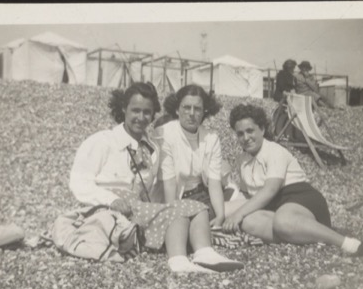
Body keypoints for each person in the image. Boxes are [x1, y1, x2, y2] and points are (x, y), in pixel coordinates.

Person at [69, 82, 243, 273]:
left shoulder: (150, 147)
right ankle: (179, 260)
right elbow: (79, 183)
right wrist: (112, 200)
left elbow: (148, 190)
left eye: (147, 112)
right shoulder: (102, 141)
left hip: (133, 208)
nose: (141, 118)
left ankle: (202, 254)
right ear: (123, 109)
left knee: (193, 209)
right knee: (182, 208)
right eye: (135, 111)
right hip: (105, 207)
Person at [222, 104, 363, 256]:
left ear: (262, 129)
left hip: (300, 199)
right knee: (248, 222)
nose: (246, 138)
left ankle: (347, 243)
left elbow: (270, 190)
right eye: (240, 134)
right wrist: (224, 213)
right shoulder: (242, 160)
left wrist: (237, 214)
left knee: (281, 221)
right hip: (276, 207)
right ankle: (302, 235)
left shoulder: (274, 151)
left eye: (250, 131)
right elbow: (246, 195)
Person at [152, 84, 239, 228]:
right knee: (188, 223)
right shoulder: (164, 133)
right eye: (186, 107)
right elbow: (169, 184)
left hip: (201, 197)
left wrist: (220, 216)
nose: (192, 113)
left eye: (197, 108)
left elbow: (214, 182)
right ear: (177, 109)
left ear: (204, 111)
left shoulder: (211, 137)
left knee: (242, 207)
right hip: (173, 198)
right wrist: (172, 216)